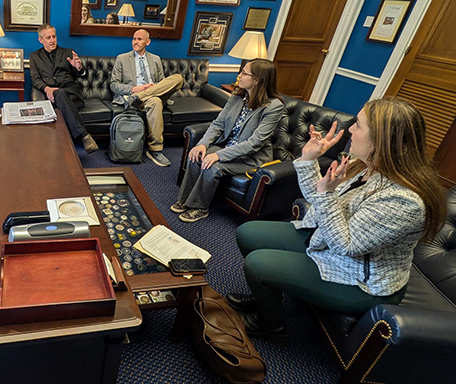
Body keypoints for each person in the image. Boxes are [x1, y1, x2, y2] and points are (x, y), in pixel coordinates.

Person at [226, 97, 446, 338]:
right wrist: (309, 159)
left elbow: (346, 245)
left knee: (258, 264)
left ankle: (270, 323)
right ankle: (266, 294)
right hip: (332, 242)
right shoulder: (364, 166)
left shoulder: (403, 200)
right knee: (247, 233)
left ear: (381, 140)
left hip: (361, 281)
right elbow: (321, 199)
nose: (350, 128)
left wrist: (326, 194)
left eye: (359, 125)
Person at [172, 59, 283, 221]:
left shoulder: (274, 106)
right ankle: (185, 199)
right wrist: (203, 143)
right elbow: (218, 124)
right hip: (227, 146)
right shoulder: (237, 96)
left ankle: (199, 207)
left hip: (250, 158)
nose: (240, 76)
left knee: (212, 167)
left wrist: (218, 156)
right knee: (196, 154)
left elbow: (255, 143)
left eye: (244, 73)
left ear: (257, 79)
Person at [110, 29, 184, 167]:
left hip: (150, 93)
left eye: (139, 39)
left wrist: (151, 89)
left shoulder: (155, 59)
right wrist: (134, 89)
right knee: (155, 102)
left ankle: (138, 97)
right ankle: (155, 150)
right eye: (134, 39)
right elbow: (114, 85)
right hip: (136, 94)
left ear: (148, 42)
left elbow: (163, 83)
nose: (135, 42)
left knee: (178, 78)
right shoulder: (122, 58)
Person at [29, 24, 98, 153]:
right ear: (41, 40)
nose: (52, 40)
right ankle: (84, 136)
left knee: (60, 94)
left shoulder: (68, 52)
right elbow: (35, 79)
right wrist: (47, 89)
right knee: (58, 94)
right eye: (48, 37)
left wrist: (79, 68)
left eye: (54, 36)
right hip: (51, 97)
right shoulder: (34, 57)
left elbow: (83, 75)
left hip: (72, 94)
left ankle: (61, 146)